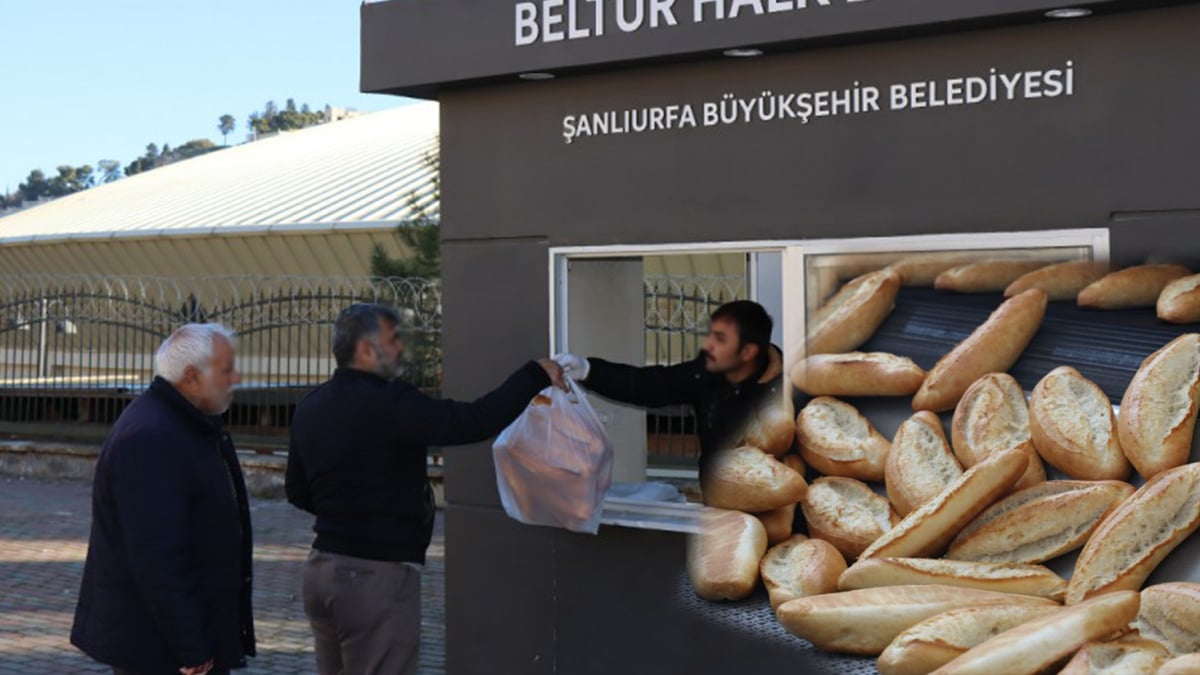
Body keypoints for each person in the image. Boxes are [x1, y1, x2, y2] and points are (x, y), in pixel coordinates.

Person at [285, 303, 565, 675]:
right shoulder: (391, 402)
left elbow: (297, 490)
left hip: (321, 574)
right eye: (392, 340)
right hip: (374, 578)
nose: (401, 348)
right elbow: (471, 421)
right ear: (365, 350)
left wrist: (346, 511)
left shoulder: (310, 405)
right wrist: (534, 375)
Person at [71, 324, 255, 675]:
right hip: (158, 648)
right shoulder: (151, 437)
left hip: (177, 638)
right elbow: (158, 557)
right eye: (226, 370)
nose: (236, 379)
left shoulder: (184, 424)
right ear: (192, 377)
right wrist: (192, 646)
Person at [554, 300, 786, 477]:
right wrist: (589, 370)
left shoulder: (788, 393)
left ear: (747, 352)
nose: (708, 345)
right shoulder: (705, 375)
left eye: (720, 339)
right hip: (721, 511)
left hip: (769, 516)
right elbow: (649, 384)